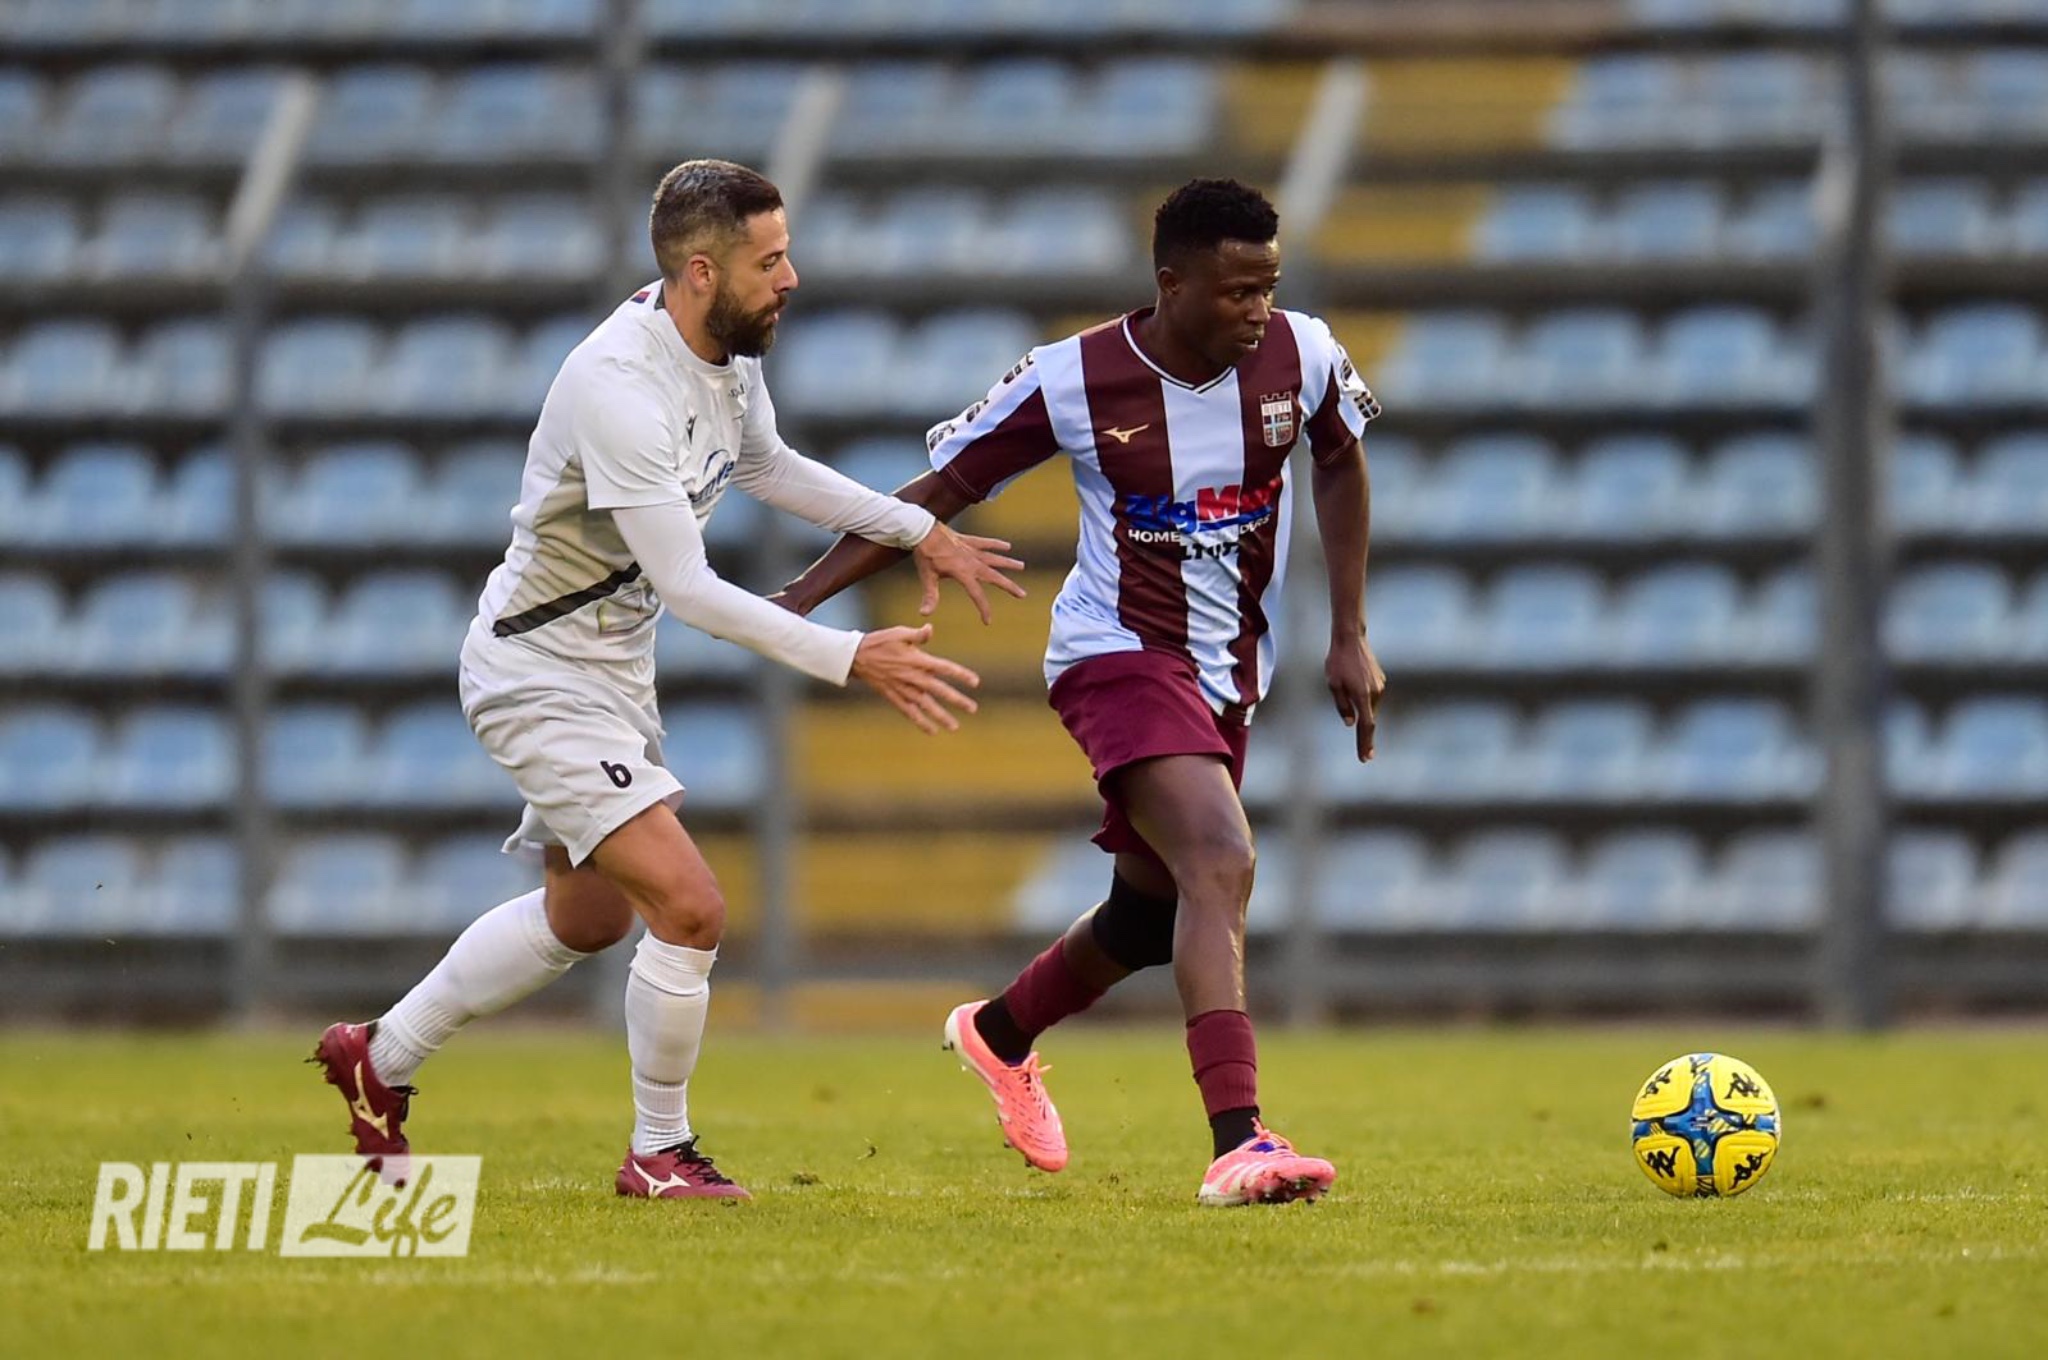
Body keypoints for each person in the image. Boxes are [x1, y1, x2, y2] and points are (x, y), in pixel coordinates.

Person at [311, 159, 1024, 1199]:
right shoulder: (618, 387)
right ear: (700, 272)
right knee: (690, 908)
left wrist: (917, 527)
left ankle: (380, 1054)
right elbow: (688, 588)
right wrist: (847, 653)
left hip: (610, 670)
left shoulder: (725, 354)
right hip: (537, 671)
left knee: (589, 918)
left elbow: (766, 466)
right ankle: (659, 1151)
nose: (791, 279)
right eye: (769, 262)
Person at [774, 178, 1385, 1206]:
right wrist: (792, 602)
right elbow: (934, 494)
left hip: (1229, 670)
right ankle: (1239, 1141)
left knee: (1150, 916)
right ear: (1172, 283)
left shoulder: (1305, 355)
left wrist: (1350, 631)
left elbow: (1340, 461)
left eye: (1268, 288)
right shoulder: (1072, 377)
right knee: (1221, 858)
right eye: (1237, 291)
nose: (1257, 310)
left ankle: (997, 1032)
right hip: (1116, 654)